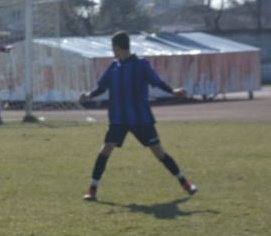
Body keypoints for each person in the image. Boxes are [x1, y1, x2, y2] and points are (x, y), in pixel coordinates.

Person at [79, 31, 198, 201]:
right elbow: (102, 88)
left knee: (159, 153)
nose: (112, 50)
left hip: (141, 118)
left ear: (118, 47)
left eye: (113, 47)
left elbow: (157, 82)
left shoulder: (141, 64)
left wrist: (173, 91)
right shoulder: (113, 67)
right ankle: (92, 190)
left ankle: (185, 184)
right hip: (119, 119)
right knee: (105, 150)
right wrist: (88, 95)